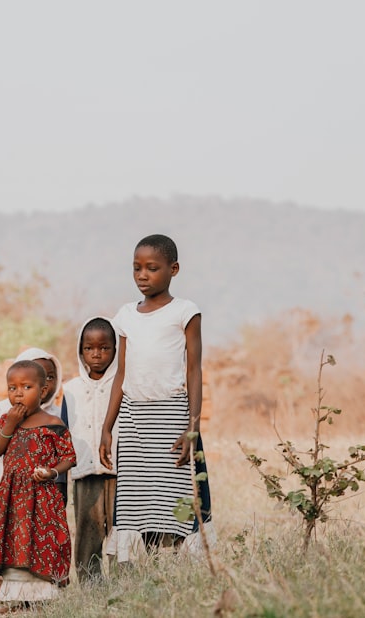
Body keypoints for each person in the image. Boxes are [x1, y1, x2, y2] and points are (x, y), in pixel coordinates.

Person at [98, 234, 212, 555]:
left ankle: (180, 556)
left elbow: (194, 370)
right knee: (138, 496)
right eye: (136, 268)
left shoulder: (185, 312)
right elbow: (121, 374)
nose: (142, 276)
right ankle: (144, 562)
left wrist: (193, 427)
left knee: (176, 491)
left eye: (152, 268)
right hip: (135, 418)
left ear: (173, 269)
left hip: (172, 414)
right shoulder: (126, 316)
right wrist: (108, 426)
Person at [0, 347, 64, 603]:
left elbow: (65, 456)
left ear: (46, 387)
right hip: (9, 488)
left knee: (35, 537)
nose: (19, 393)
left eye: (48, 378)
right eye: (13, 387)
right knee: (6, 534)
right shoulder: (4, 414)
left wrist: (53, 475)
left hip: (39, 493)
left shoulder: (53, 418)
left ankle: (36, 588)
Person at [62, 316, 119, 582]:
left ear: (116, 350)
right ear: (80, 350)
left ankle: (126, 587)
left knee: (122, 536)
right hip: (85, 475)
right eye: (89, 348)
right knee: (87, 536)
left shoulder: (122, 386)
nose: (96, 354)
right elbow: (63, 435)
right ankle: (91, 590)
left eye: (104, 347)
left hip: (120, 474)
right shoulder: (70, 390)